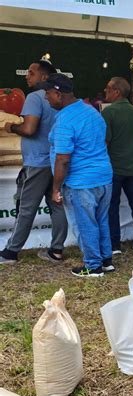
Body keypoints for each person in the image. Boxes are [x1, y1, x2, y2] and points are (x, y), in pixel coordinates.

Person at [41, 73, 114, 278]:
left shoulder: (65, 120)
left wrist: (55, 188)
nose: (46, 98)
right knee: (101, 220)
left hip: (81, 182)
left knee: (85, 224)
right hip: (103, 177)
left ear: (58, 93)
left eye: (48, 93)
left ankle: (93, 266)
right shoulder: (92, 112)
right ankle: (105, 260)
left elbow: (63, 159)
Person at [0, 60, 68, 265]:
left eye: (31, 73)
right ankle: (56, 250)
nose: (27, 76)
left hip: (37, 162)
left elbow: (29, 129)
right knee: (56, 204)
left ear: (44, 78)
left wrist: (12, 127)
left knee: (26, 208)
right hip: (56, 160)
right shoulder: (62, 100)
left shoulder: (34, 97)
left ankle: (11, 252)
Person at [102, 77, 133, 254]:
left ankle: (114, 245)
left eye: (107, 89)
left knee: (112, 206)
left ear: (116, 92)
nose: (105, 92)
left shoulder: (108, 112)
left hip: (113, 168)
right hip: (132, 167)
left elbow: (105, 142)